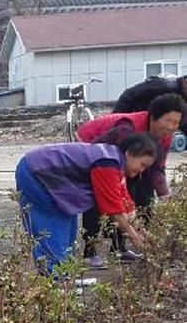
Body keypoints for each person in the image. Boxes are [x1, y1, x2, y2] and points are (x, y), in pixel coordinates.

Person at [15, 133, 157, 273]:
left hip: (51, 177)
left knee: (68, 231)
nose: (141, 171)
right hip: (36, 173)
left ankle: (65, 276)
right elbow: (114, 210)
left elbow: (126, 203)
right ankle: (55, 278)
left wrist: (145, 234)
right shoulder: (107, 163)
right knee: (52, 229)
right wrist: (134, 237)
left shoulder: (116, 163)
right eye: (142, 164)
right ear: (129, 153)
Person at [77, 94, 186, 266]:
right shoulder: (128, 128)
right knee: (98, 196)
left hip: (124, 160)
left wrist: (165, 196)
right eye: (168, 120)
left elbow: (157, 168)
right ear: (153, 116)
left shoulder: (166, 136)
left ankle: (119, 248)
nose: (172, 127)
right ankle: (89, 251)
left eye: (176, 122)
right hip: (94, 145)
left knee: (139, 196)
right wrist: (131, 230)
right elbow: (104, 157)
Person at [115, 73, 187, 115]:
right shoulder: (164, 86)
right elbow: (129, 95)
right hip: (131, 120)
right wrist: (118, 119)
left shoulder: (182, 97)